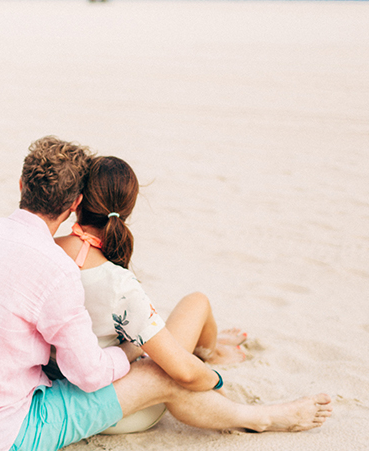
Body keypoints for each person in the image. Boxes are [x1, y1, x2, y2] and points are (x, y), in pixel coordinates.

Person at [0, 137, 332, 451]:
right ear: (74, 204)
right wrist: (132, 352)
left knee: (164, 356)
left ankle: (212, 360)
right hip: (6, 432)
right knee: (163, 374)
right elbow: (88, 376)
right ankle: (262, 417)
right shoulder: (55, 270)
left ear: (20, 185)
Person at [53, 155, 246, 433]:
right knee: (197, 302)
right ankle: (211, 353)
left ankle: (209, 347)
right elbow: (184, 373)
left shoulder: (45, 250)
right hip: (126, 408)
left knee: (145, 325)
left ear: (77, 201)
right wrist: (215, 380)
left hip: (61, 398)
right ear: (128, 209)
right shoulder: (119, 283)